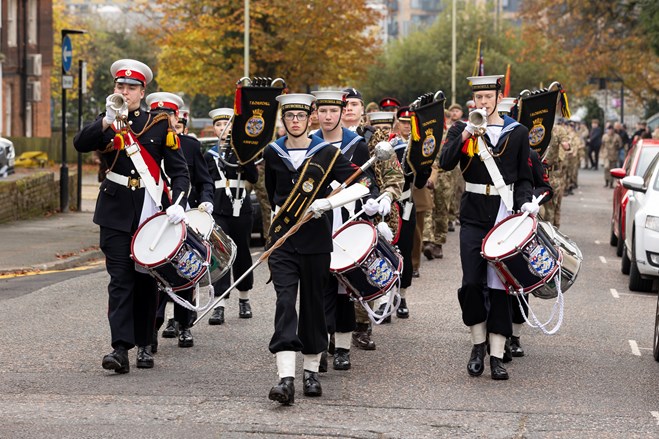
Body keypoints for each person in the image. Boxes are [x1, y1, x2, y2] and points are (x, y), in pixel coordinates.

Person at [73, 59, 190, 374]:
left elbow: (180, 172)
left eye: (131, 87)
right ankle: (120, 348)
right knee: (120, 280)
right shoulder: (108, 120)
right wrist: (106, 122)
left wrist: (178, 202)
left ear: (142, 91)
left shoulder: (159, 123)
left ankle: (145, 344)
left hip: (149, 213)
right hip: (114, 211)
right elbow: (80, 144)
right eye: (120, 86)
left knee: (146, 282)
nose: (125, 91)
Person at [263, 93, 378, 405]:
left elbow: (361, 183)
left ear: (308, 117)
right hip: (284, 239)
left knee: (314, 304)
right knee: (285, 302)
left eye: (301, 116)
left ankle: (310, 371)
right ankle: (285, 378)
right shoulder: (273, 152)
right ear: (284, 120)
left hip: (316, 239)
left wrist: (329, 202)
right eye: (290, 117)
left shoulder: (325, 152)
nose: (296, 122)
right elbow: (273, 194)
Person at [439, 74, 534, 380]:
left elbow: (523, 176)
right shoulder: (461, 129)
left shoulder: (516, 132)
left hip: (503, 214)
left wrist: (524, 204)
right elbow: (445, 162)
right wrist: (466, 132)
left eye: (487, 97)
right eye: (477, 98)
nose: (482, 103)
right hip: (473, 214)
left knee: (501, 286)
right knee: (471, 283)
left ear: (497, 97)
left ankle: (496, 355)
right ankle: (477, 344)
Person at [148, 96, 215, 350]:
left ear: (178, 119)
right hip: (153, 215)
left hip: (179, 215)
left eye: (169, 117)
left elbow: (203, 180)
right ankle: (152, 326)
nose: (165, 122)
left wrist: (207, 200)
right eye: (158, 117)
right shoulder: (143, 142)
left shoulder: (189, 145)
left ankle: (184, 324)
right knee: (154, 275)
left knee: (184, 269)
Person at [205, 108, 258, 324]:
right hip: (219, 210)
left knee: (243, 252)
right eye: (219, 125)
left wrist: (245, 159)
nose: (223, 130)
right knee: (220, 255)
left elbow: (254, 176)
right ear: (215, 129)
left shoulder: (243, 152)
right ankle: (219, 303)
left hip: (241, 208)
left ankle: (244, 298)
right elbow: (205, 181)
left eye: (227, 125)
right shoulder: (210, 155)